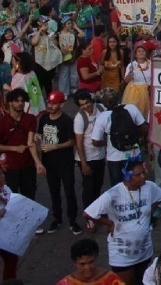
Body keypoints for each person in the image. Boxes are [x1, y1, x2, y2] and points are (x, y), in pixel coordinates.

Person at [84, 158, 161, 285]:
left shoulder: (149, 187)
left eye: (143, 172)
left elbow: (160, 197)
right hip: (122, 255)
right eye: (138, 175)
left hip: (144, 251)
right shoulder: (114, 193)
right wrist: (109, 223)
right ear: (128, 177)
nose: (143, 176)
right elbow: (88, 213)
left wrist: (147, 212)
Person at [37, 90, 82, 235]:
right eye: (49, 102)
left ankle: (73, 220)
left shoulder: (67, 121)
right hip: (49, 162)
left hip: (65, 162)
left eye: (53, 103)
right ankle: (57, 218)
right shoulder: (44, 118)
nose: (50, 105)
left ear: (61, 105)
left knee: (69, 191)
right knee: (54, 191)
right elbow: (40, 134)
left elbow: (72, 141)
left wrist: (55, 146)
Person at [0, 87, 43, 199]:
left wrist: (38, 163)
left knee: (29, 197)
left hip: (28, 166)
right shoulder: (1, 122)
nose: (20, 104)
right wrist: (14, 148)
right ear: (10, 102)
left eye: (22, 101)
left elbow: (31, 142)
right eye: (16, 101)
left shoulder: (31, 119)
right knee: (11, 199)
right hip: (9, 167)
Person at [91, 87, 148, 187]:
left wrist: (108, 142)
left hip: (115, 158)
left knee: (118, 187)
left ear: (104, 102)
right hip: (134, 154)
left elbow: (95, 141)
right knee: (138, 183)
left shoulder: (103, 117)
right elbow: (144, 128)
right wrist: (135, 138)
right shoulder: (131, 108)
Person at [74, 89, 108, 232]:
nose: (86, 107)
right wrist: (84, 163)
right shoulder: (79, 118)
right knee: (88, 188)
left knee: (98, 184)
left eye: (87, 103)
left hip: (100, 155)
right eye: (82, 105)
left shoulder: (102, 109)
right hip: (87, 157)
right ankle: (89, 217)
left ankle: (97, 211)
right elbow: (79, 142)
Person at [57, 238, 124, 285]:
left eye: (91, 262)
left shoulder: (111, 279)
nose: (88, 267)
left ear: (96, 257)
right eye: (82, 264)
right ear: (74, 262)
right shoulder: (65, 283)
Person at [122, 44, 153, 117]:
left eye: (143, 51)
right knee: (133, 112)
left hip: (147, 91)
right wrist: (130, 72)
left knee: (145, 113)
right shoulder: (132, 65)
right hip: (133, 92)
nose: (141, 53)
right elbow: (126, 80)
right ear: (135, 55)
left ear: (146, 53)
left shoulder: (151, 64)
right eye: (139, 51)